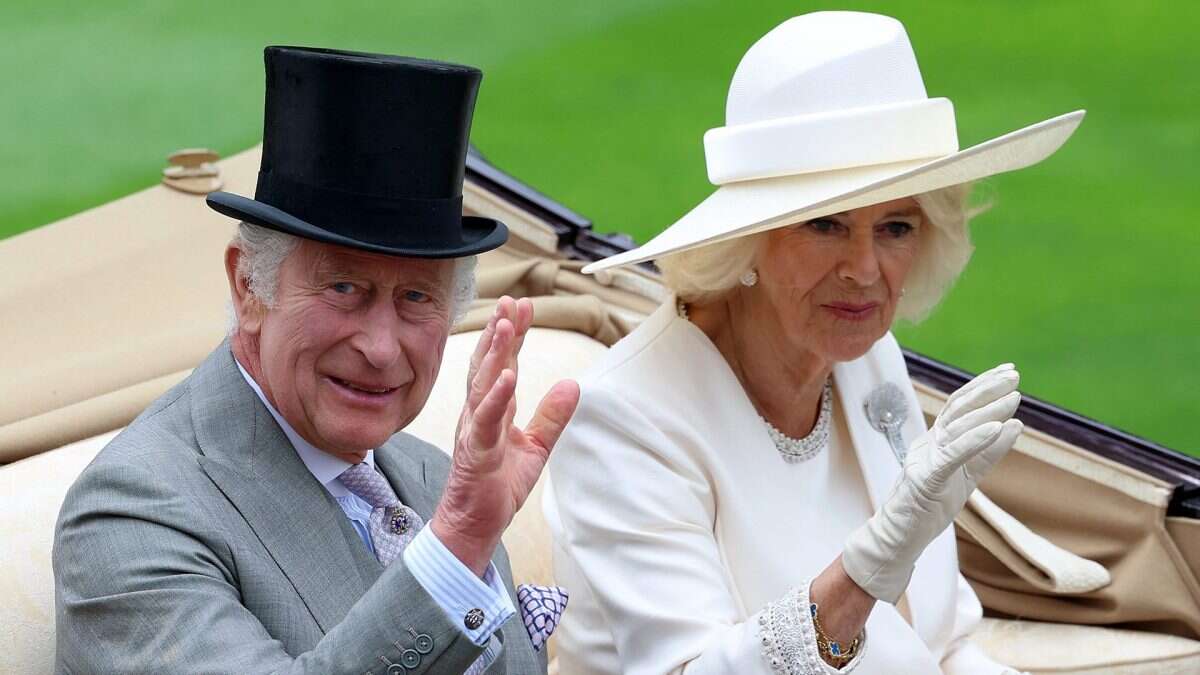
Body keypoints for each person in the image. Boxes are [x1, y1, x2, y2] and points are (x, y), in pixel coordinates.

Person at [544, 11, 1084, 675]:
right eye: (826, 224)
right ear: (745, 241)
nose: (864, 269)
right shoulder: (625, 417)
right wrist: (861, 575)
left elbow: (940, 644)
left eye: (895, 227)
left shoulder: (861, 356)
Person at [53, 46, 578, 674]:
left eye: (416, 297)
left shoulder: (436, 477)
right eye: (343, 288)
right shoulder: (134, 513)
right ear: (248, 285)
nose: (381, 349)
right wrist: (458, 543)